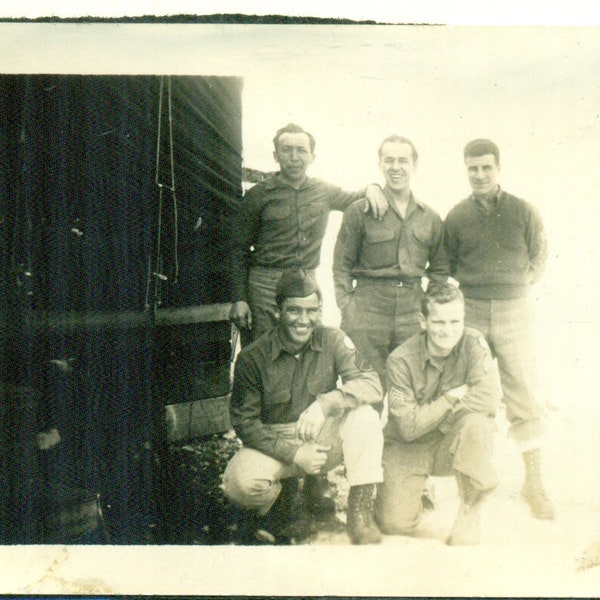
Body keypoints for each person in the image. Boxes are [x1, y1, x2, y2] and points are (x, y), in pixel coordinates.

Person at [221, 268, 384, 545]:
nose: (304, 320)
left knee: (365, 418)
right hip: (275, 442)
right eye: (295, 310)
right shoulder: (252, 357)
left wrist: (327, 402)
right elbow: (246, 424)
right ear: (278, 311)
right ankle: (278, 504)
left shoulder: (332, 340)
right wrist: (295, 453)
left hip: (322, 438)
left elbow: (371, 384)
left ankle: (360, 512)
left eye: (312, 311)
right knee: (238, 483)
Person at [444, 138, 553, 520]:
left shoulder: (523, 211)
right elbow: (448, 264)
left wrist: (515, 288)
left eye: (486, 168)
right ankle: (474, 482)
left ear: (498, 169)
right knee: (474, 391)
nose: (479, 175)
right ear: (465, 170)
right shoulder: (456, 216)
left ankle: (533, 482)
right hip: (471, 308)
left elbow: (540, 257)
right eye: (472, 168)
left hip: (514, 309)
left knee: (523, 392)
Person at [230, 122, 388, 347]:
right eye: (287, 150)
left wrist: (373, 186)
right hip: (265, 286)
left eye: (301, 150)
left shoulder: (323, 191)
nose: (294, 157)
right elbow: (237, 249)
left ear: (312, 156)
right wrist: (239, 299)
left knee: (307, 350)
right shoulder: (258, 195)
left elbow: (355, 198)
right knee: (263, 351)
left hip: (305, 283)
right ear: (276, 155)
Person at [375, 282, 501, 545]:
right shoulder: (401, 359)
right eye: (439, 322)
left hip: (451, 441)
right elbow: (408, 428)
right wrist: (450, 398)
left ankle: (469, 511)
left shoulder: (474, 344)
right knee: (394, 524)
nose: (448, 330)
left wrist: (435, 419)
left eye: (455, 321)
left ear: (464, 318)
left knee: (477, 425)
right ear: (423, 321)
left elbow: (488, 399)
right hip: (409, 445)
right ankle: (416, 490)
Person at [333, 134, 449, 384]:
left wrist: (429, 309)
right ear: (380, 165)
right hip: (367, 311)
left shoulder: (430, 217)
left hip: (412, 312)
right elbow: (341, 266)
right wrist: (347, 307)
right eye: (389, 160)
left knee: (411, 388)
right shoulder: (359, 211)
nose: (396, 167)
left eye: (403, 161)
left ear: (414, 165)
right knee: (365, 388)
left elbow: (440, 270)